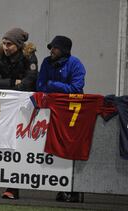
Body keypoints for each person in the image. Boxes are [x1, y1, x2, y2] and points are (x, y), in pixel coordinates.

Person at [0, 27, 38, 199]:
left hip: (25, 108)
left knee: (22, 147)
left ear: (18, 44)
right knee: (6, 145)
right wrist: (13, 82)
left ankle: (14, 186)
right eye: (4, 43)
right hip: (4, 107)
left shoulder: (29, 56)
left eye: (9, 44)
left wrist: (14, 85)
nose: (5, 47)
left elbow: (29, 84)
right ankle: (9, 185)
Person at [36, 35, 85, 202]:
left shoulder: (76, 64)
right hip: (50, 111)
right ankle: (59, 188)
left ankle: (73, 190)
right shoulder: (45, 62)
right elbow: (40, 85)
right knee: (51, 149)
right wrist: (55, 87)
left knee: (69, 149)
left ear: (64, 50)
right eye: (51, 47)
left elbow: (76, 89)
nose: (51, 51)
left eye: (55, 48)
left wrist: (53, 85)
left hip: (71, 113)